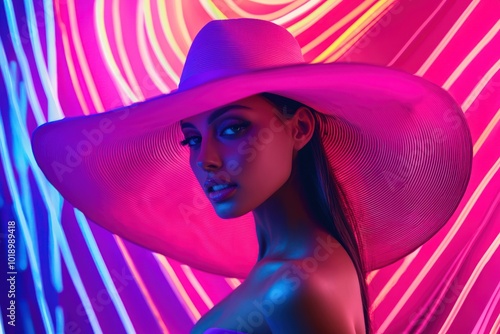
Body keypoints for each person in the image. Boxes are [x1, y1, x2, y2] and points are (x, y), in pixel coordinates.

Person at [31, 18, 473, 334]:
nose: (205, 159)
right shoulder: (310, 268)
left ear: (299, 128)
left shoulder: (297, 288)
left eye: (231, 128)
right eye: (191, 138)